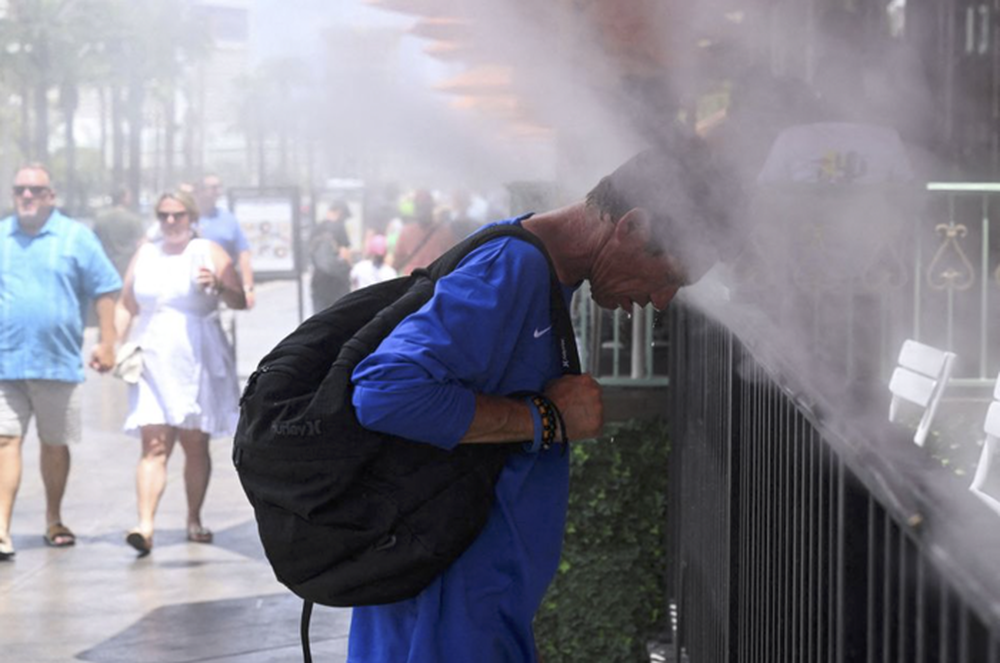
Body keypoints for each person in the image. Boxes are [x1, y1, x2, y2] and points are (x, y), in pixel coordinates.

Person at [346, 135, 735, 662]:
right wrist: (546, 418)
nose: (661, 301)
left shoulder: (538, 272)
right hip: (444, 623)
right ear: (634, 226)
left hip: (471, 615)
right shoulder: (512, 270)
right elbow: (384, 391)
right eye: (669, 277)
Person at [0, 164, 122, 560]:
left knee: (54, 445)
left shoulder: (76, 237)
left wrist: (107, 341)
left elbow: (105, 289)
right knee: (4, 441)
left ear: (51, 196)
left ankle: (53, 519)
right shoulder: (2, 236)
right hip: (6, 362)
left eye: (35, 190)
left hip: (57, 361)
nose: (27, 196)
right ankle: (1, 528)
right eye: (21, 190)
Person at [115, 190, 246, 555]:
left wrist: (219, 286)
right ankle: (145, 525)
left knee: (193, 442)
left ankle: (193, 517)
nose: (171, 222)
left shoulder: (207, 251)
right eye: (164, 215)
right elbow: (127, 303)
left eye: (178, 215)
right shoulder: (146, 253)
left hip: (197, 357)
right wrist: (113, 344)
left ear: (190, 218)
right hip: (152, 357)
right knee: (153, 442)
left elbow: (241, 299)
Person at [194, 174, 255, 308]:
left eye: (220, 187)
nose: (218, 192)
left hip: (223, 291)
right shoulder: (184, 218)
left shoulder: (227, 219)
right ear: (199, 191)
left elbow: (243, 253)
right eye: (213, 188)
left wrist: (248, 288)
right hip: (193, 290)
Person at [392, 189, 457, 275]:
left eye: (425, 207)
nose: (422, 211)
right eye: (420, 207)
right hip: (422, 281)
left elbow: (396, 263)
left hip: (426, 280)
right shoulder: (406, 232)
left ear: (431, 208)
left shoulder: (444, 232)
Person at [92, 186, 148, 278]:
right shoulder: (132, 220)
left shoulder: (100, 220)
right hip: (127, 269)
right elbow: (142, 244)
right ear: (124, 198)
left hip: (105, 268)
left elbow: (93, 243)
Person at [309, 200, 353, 312]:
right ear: (340, 212)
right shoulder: (339, 227)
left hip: (318, 280)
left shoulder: (317, 228)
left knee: (320, 318)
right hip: (337, 283)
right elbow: (345, 254)